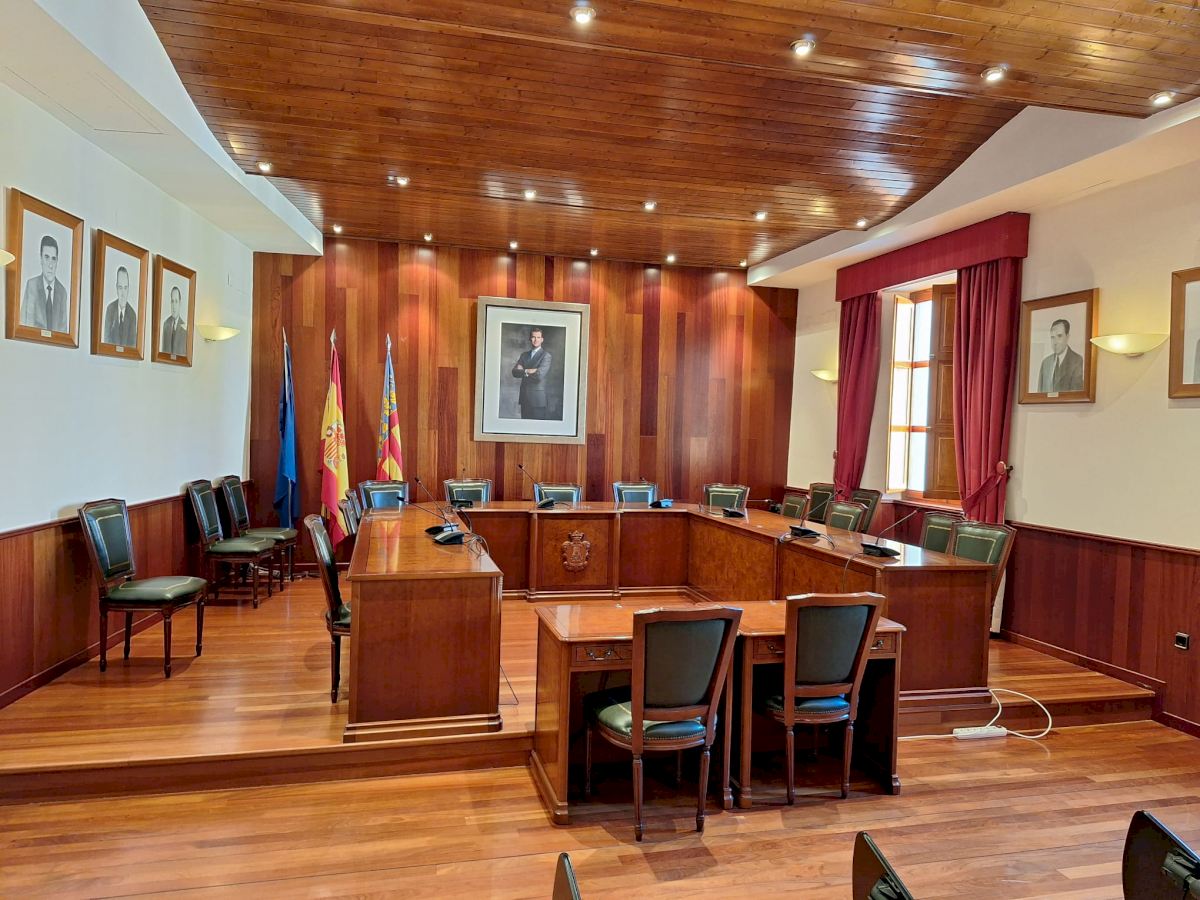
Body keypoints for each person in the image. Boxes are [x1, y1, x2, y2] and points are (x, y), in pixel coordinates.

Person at [19, 235, 69, 332]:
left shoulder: (62, 292)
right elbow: (25, 324)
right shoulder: (32, 286)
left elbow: (63, 332)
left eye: (53, 259)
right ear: (41, 259)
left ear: (57, 261)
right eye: (46, 257)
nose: (50, 265)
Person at [511, 326, 553, 419]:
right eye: (533, 337)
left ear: (542, 339)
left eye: (538, 337)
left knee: (537, 426)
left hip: (538, 400)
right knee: (524, 425)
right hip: (524, 398)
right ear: (530, 339)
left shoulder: (546, 356)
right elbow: (514, 372)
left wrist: (523, 371)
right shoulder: (524, 355)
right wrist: (528, 370)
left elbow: (539, 376)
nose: (536, 340)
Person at [1037, 318, 1084, 393]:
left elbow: (1076, 394)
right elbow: (1039, 394)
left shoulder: (1077, 360)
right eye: (1052, 337)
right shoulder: (1045, 362)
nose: (1055, 342)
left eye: (1059, 336)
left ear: (1067, 337)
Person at [102, 266, 138, 347]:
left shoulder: (132, 315)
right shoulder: (110, 310)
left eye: (125, 288)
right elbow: (106, 341)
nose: (123, 294)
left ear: (128, 289)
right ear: (116, 288)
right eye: (120, 288)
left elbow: (132, 346)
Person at [160, 286, 188, 355]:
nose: (174, 306)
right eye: (172, 301)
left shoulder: (185, 328)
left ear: (180, 303)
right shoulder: (166, 324)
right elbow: (163, 351)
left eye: (176, 301)